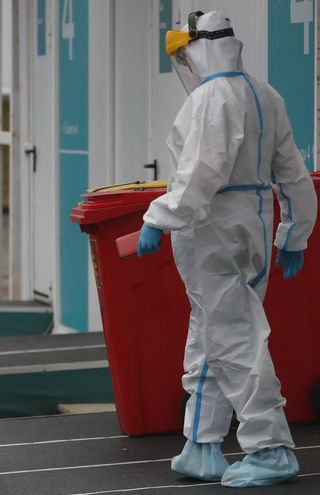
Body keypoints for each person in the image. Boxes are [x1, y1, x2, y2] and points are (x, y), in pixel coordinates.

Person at [139, 11, 317, 488]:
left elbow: (201, 172)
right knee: (212, 333)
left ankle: (271, 447)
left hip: (210, 227)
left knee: (233, 337)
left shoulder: (210, 98)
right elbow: (294, 173)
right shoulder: (265, 94)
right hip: (254, 224)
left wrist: (159, 216)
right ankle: (202, 443)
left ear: (197, 49)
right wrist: (294, 233)